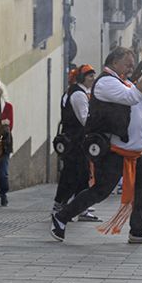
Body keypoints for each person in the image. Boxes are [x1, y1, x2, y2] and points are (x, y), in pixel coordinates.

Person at [50, 47, 142, 244]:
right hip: (114, 149)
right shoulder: (106, 82)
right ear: (114, 62)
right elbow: (132, 97)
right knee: (101, 190)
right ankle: (61, 216)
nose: (131, 68)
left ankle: (138, 230)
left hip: (133, 152)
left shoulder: (124, 83)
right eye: (128, 64)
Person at [53, 65, 98, 221]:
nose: (93, 79)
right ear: (82, 78)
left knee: (81, 174)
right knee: (71, 175)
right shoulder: (78, 94)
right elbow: (85, 119)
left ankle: (80, 208)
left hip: (75, 141)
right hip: (75, 141)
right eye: (90, 76)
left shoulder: (76, 91)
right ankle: (59, 206)